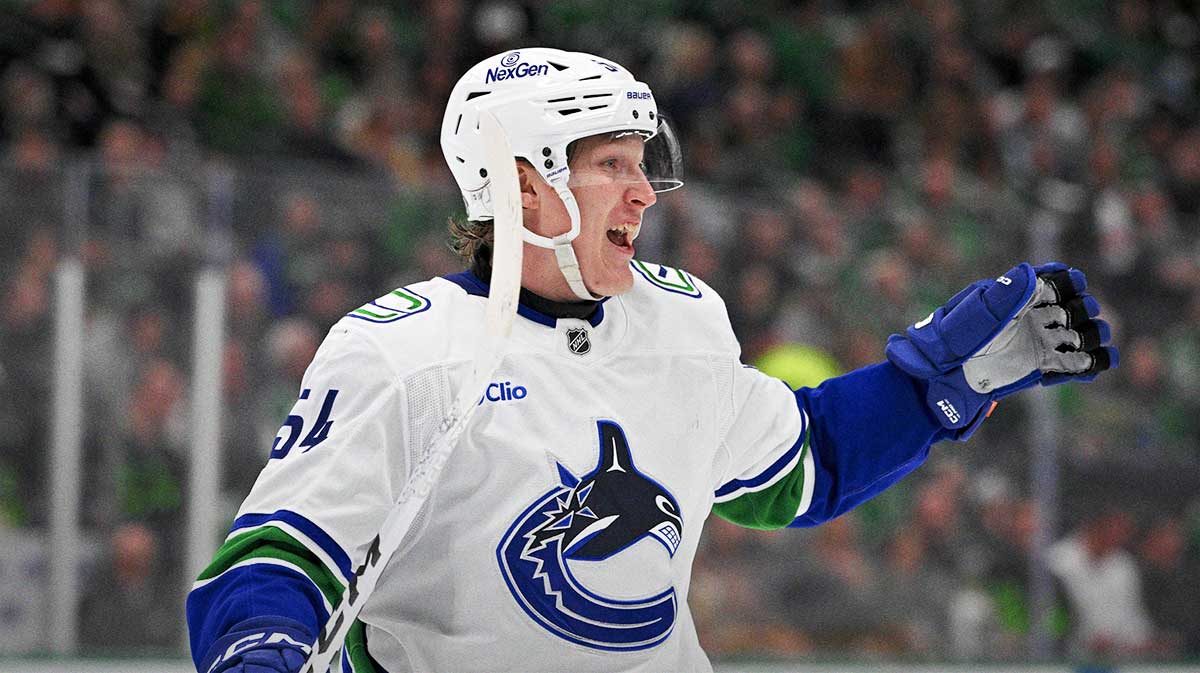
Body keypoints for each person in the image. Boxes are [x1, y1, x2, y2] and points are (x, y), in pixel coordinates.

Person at [185, 48, 1118, 673]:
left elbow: (806, 467)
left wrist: (934, 390)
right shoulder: (400, 354)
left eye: (643, 163)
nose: (645, 193)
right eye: (611, 166)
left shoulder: (682, 322)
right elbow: (278, 560)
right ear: (521, 183)